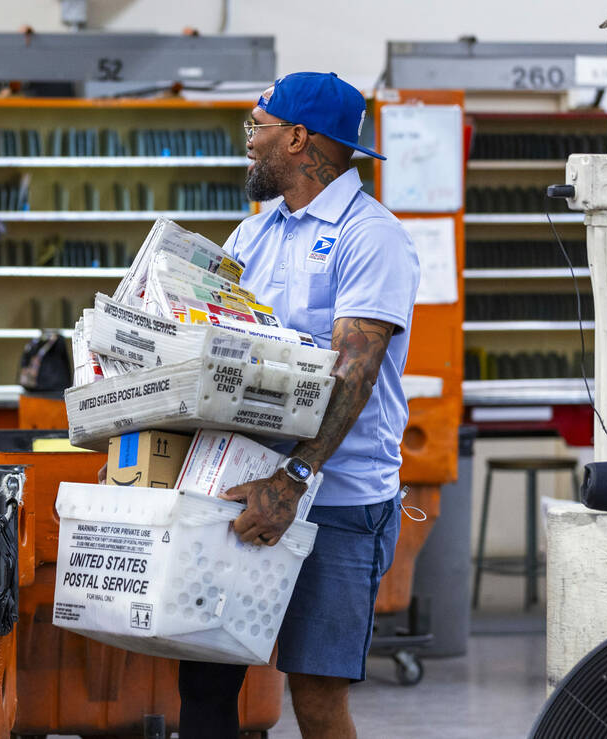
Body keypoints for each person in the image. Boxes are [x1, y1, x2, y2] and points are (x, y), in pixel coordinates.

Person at [177, 73, 420, 738]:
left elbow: (354, 371)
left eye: (256, 128)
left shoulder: (371, 237)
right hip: (240, 485)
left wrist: (294, 478)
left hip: (336, 499)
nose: (248, 145)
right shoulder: (253, 236)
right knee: (204, 682)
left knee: (315, 696)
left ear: (297, 137)